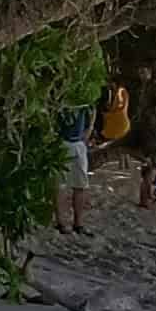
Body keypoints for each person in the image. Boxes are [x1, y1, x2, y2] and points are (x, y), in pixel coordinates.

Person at [54, 99, 94, 235]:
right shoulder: (62, 98)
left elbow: (90, 116)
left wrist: (87, 134)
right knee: (60, 185)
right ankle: (61, 222)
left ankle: (78, 223)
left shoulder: (84, 99)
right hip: (63, 143)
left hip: (78, 144)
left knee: (80, 185)